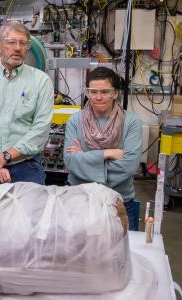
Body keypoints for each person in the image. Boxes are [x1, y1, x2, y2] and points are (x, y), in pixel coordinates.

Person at [0, 22, 54, 185]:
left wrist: (3, 158)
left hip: (27, 170)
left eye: (23, 43)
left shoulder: (41, 81)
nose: (17, 48)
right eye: (11, 42)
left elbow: (40, 131)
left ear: (28, 48)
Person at [64, 66, 143, 230]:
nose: (98, 97)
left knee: (122, 251)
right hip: (80, 198)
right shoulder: (75, 120)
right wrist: (107, 153)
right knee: (78, 252)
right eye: (93, 92)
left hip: (119, 200)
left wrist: (85, 158)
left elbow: (129, 167)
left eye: (105, 92)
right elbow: (70, 161)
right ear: (87, 93)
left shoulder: (131, 122)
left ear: (115, 93)